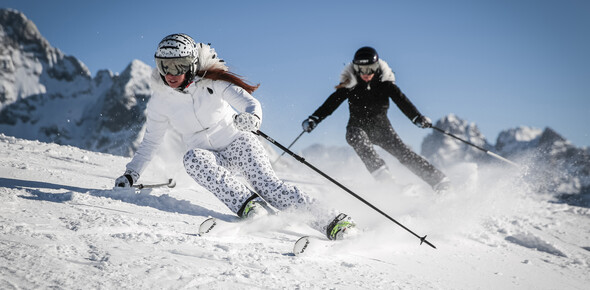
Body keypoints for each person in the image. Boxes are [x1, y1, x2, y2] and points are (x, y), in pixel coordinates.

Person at [114, 33, 354, 240]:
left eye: (178, 65)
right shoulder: (161, 102)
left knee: (270, 186)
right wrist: (131, 174)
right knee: (192, 159)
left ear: (192, 64)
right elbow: (151, 141)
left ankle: (334, 222)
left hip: (238, 142)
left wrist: (252, 118)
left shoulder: (212, 82)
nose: (170, 73)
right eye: (164, 66)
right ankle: (252, 206)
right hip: (209, 155)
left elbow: (249, 103)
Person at [301, 46, 450, 193]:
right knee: (355, 137)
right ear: (355, 68)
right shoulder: (350, 84)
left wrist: (417, 117)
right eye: (362, 69)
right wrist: (315, 119)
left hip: (382, 128)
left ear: (377, 66)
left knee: (404, 154)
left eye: (371, 68)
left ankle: (439, 181)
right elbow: (330, 104)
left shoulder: (385, 83)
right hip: (357, 126)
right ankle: (384, 178)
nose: (366, 73)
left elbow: (402, 101)